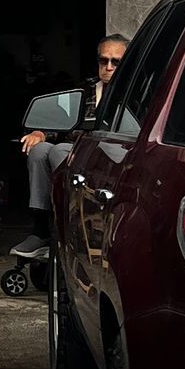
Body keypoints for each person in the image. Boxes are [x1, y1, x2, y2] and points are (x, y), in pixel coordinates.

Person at [20, 36, 126, 244]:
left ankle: (67, 223)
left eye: (115, 62)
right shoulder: (85, 90)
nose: (108, 67)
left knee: (60, 151)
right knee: (40, 151)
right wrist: (41, 133)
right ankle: (40, 228)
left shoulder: (137, 93)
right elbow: (64, 121)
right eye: (103, 61)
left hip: (109, 157)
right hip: (77, 148)